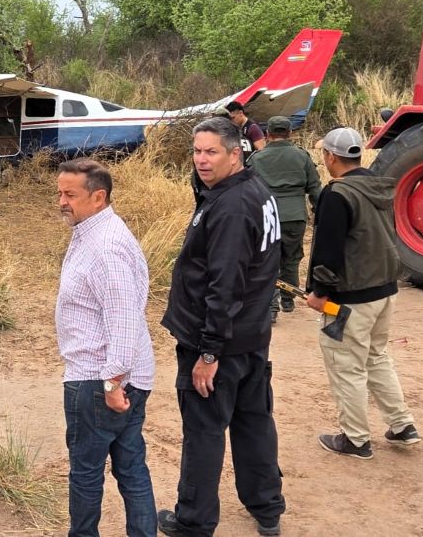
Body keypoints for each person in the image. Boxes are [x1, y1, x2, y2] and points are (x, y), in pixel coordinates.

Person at [158, 117, 286, 537]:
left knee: (204, 432)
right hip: (251, 337)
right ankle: (267, 507)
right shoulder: (255, 190)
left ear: (235, 154)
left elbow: (225, 284)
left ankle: (193, 522)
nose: (201, 160)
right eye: (197, 151)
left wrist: (209, 351)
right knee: (253, 423)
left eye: (211, 152)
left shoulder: (232, 206)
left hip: (220, 344)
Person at [55, 158, 157, 537]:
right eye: (59, 193)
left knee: (86, 474)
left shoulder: (106, 247)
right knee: (131, 467)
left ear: (98, 197)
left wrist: (112, 383)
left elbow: (124, 317)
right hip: (116, 376)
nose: (62, 202)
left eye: (70, 195)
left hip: (99, 381)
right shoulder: (95, 231)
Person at [307, 126, 420, 460]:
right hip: (384, 290)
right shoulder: (378, 185)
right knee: (376, 356)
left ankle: (355, 439)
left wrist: (320, 292)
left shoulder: (337, 194)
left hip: (349, 297)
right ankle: (402, 425)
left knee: (346, 365)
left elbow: (328, 250)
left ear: (330, 156)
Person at [246, 116, 322, 324]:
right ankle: (288, 299)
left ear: (267, 134)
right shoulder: (302, 156)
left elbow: (246, 189)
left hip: (266, 215)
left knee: (267, 260)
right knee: (292, 257)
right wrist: (320, 211)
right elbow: (315, 188)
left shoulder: (257, 158)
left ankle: (271, 307)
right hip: (295, 215)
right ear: (290, 133)